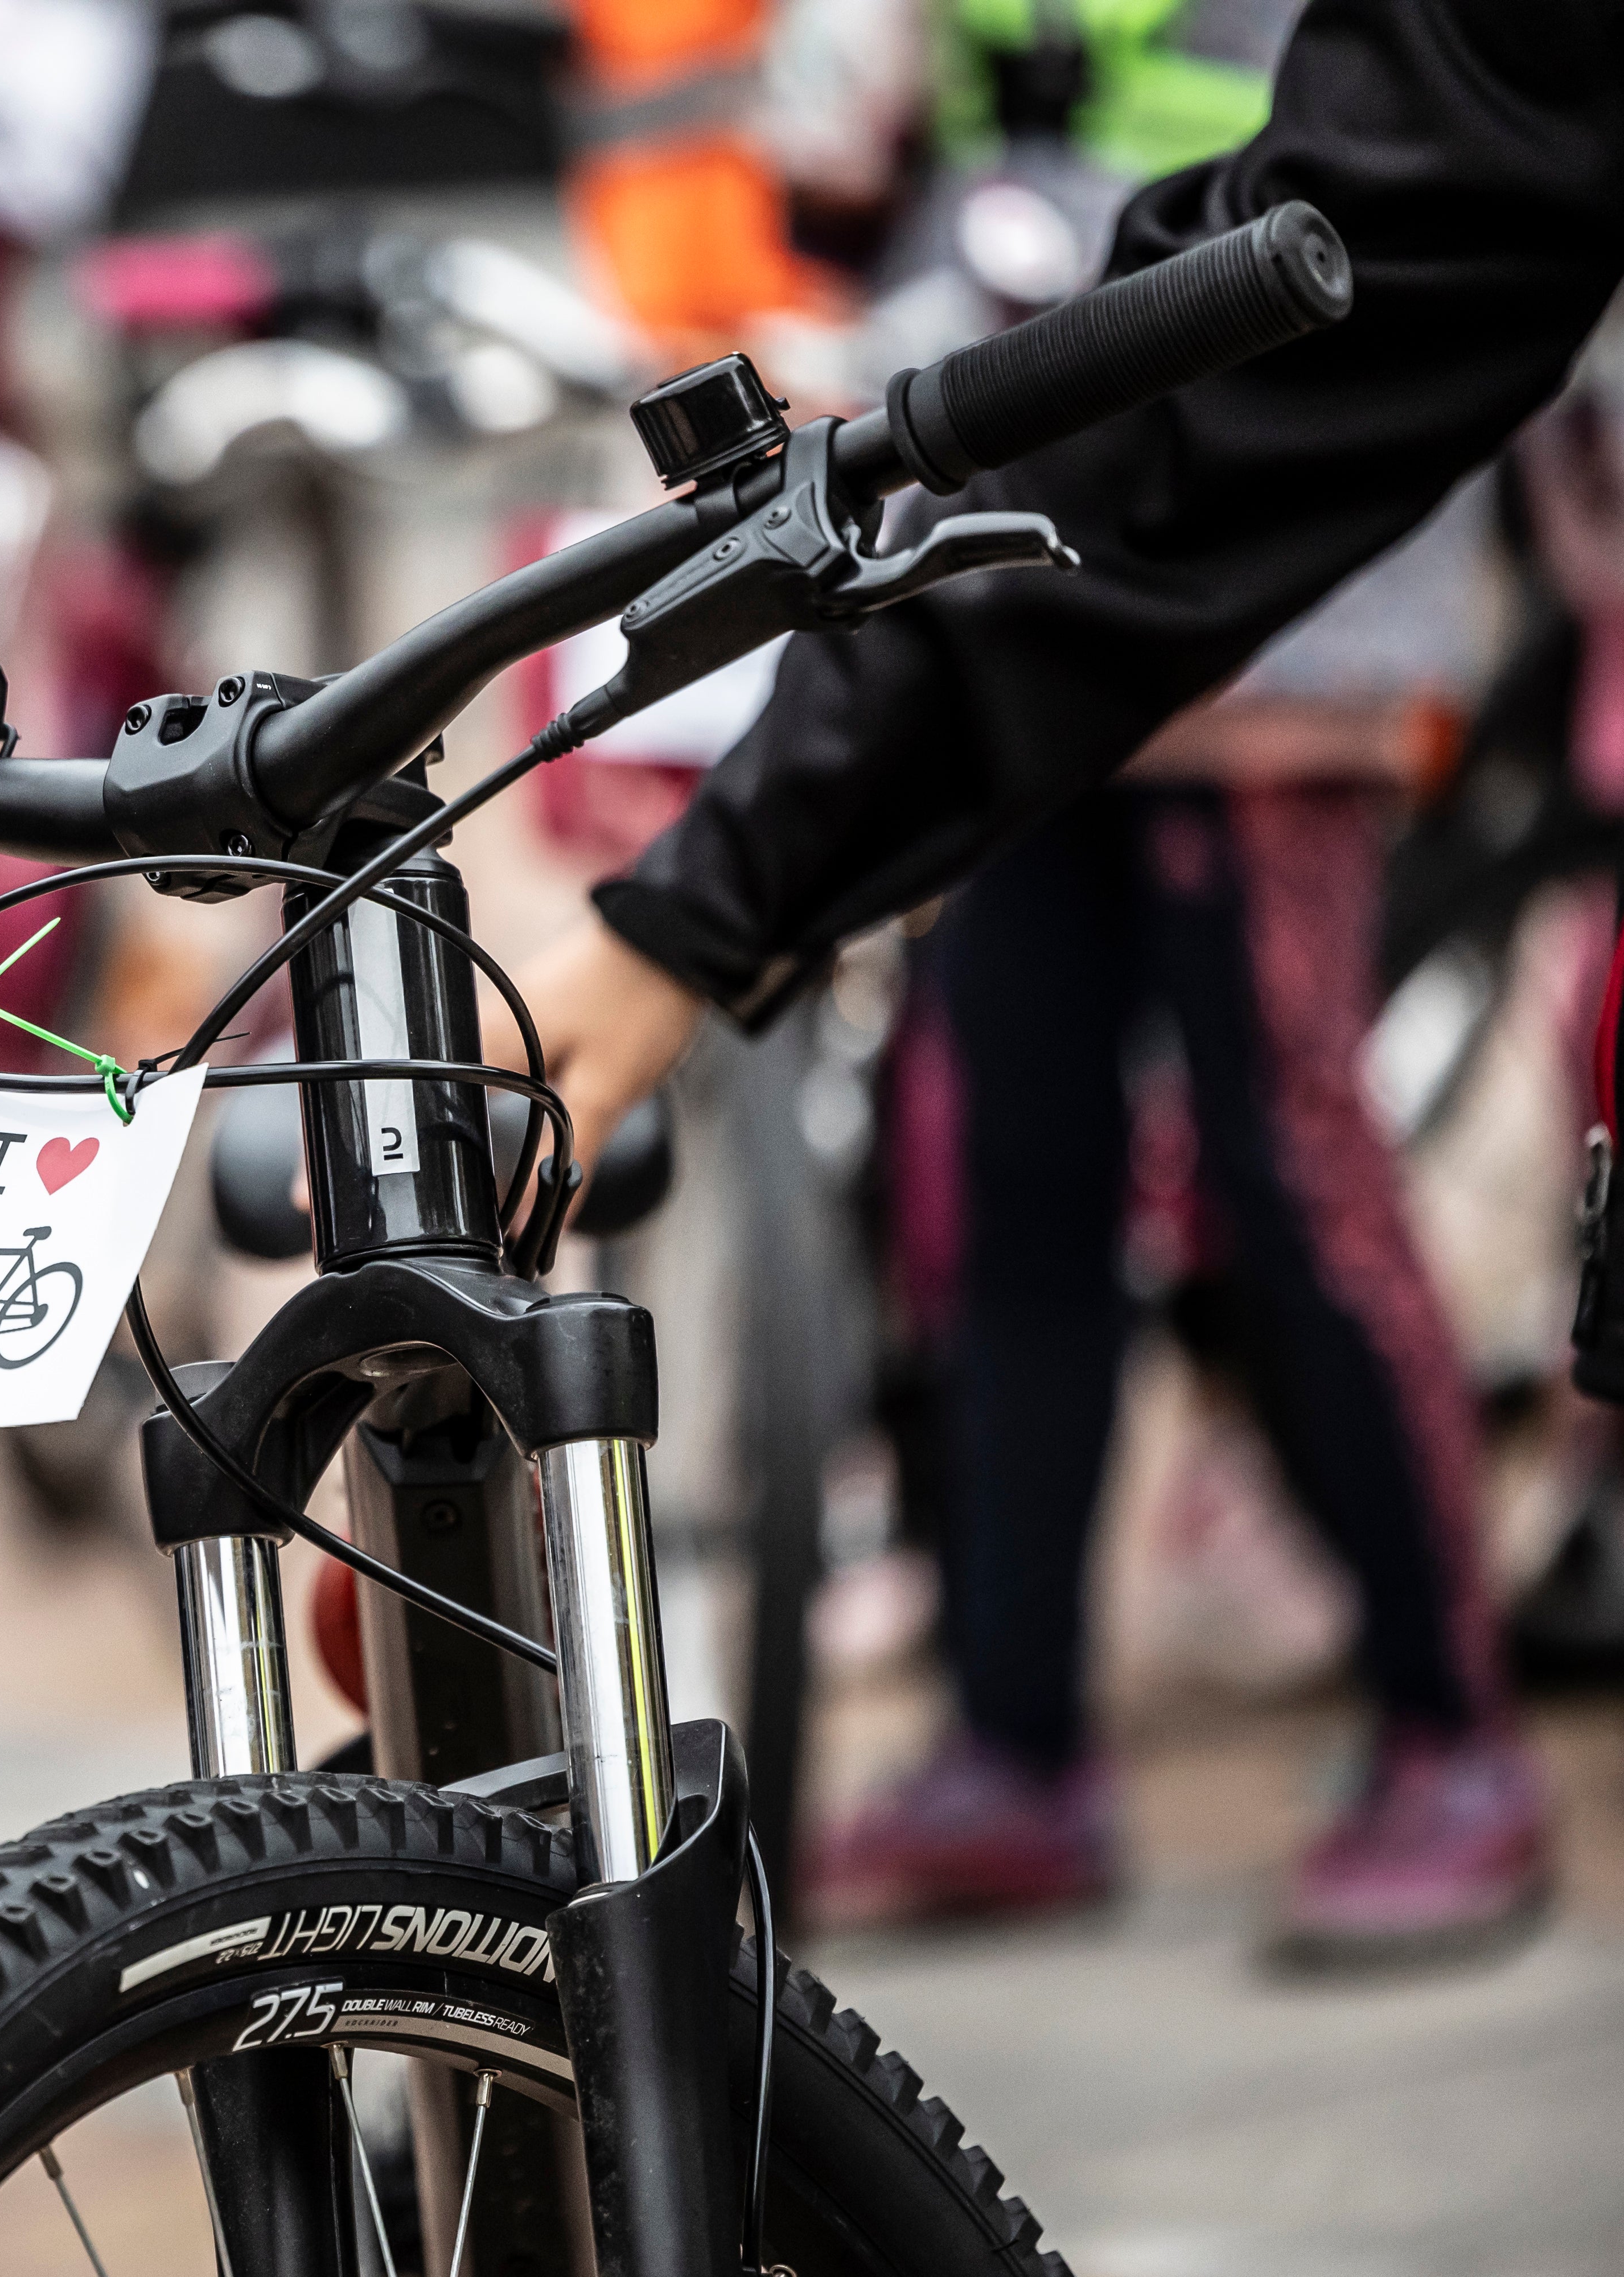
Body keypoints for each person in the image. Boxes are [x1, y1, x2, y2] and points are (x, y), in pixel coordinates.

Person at [516, 0, 1623, 1955]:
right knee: (1003, 1154)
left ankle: (1449, 1730)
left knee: (1288, 1159)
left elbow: (1397, 214)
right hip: (1025, 520)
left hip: (1277, 587)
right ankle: (1015, 1734)